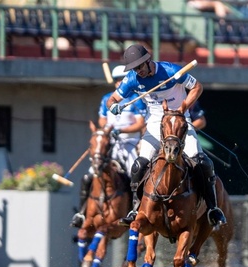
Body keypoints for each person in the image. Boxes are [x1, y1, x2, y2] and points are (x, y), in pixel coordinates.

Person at [106, 44, 226, 228]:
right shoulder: (132, 79)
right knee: (139, 165)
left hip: (179, 120)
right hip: (155, 123)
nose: (138, 71)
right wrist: (114, 106)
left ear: (147, 61)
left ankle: (212, 209)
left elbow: (197, 87)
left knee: (201, 161)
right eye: (134, 68)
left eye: (139, 66)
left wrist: (182, 108)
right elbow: (111, 99)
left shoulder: (171, 70)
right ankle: (135, 208)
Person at [70, 65, 146, 228]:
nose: (120, 83)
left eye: (123, 80)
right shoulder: (107, 99)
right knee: (89, 175)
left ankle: (135, 209)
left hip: (129, 143)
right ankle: (81, 213)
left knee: (134, 174)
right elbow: (102, 120)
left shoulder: (136, 99)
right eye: (118, 80)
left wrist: (121, 130)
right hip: (110, 143)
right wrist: (106, 130)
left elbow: (140, 124)